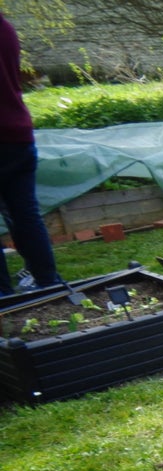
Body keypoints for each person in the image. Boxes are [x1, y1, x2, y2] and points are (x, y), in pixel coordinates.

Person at [0, 11, 61, 296]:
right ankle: (48, 281)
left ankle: (3, 294)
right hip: (17, 134)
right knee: (26, 214)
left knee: (24, 215)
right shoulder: (6, 28)